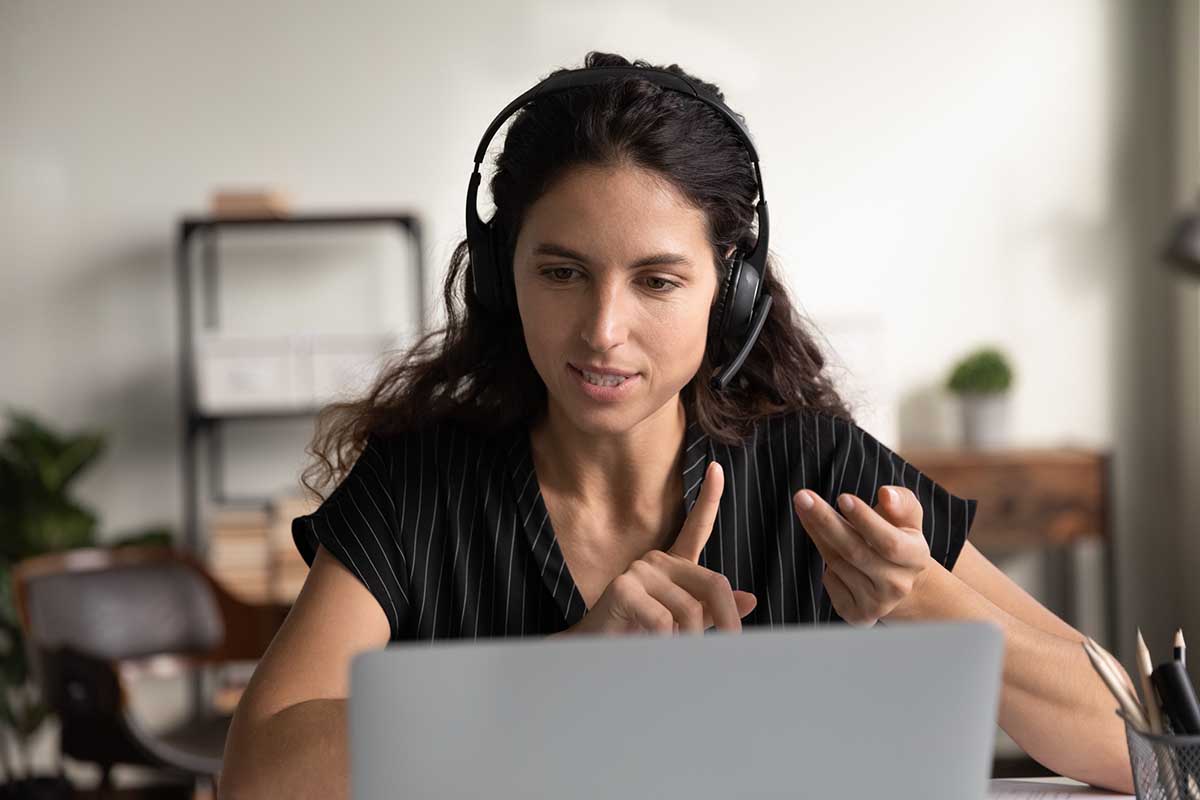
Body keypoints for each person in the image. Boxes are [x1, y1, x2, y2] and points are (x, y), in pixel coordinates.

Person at [219, 52, 1136, 798]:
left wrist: (921, 598)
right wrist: (568, 674)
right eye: (561, 272)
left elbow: (1137, 746)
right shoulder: (422, 488)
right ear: (504, 276)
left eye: (656, 281)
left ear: (728, 295)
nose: (602, 331)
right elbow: (258, 772)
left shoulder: (817, 470)